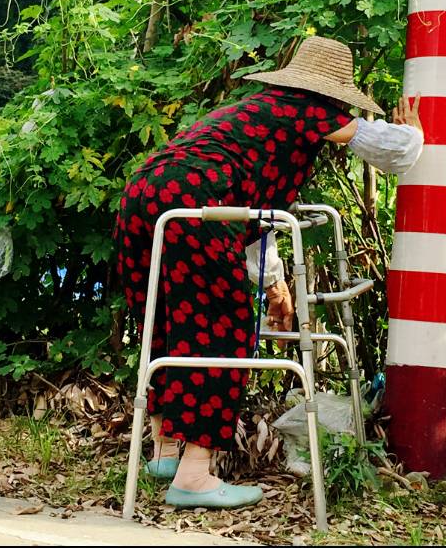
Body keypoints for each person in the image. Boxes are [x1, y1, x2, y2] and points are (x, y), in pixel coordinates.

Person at [115, 36, 423, 509]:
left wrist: (276, 287)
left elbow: (254, 222)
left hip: (144, 200)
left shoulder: (255, 113)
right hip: (195, 204)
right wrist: (413, 131)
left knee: (169, 320)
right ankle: (193, 477)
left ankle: (165, 451)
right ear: (334, 95)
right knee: (224, 327)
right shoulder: (308, 110)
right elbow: (394, 154)